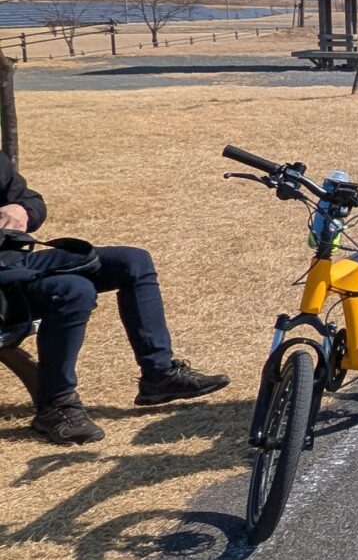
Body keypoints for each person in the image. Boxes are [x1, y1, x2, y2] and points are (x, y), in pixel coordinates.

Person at [0, 148, 226, 446]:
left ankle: (158, 375)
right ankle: (56, 407)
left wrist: (22, 211)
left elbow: (31, 200)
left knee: (133, 262)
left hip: (13, 262)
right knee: (73, 290)